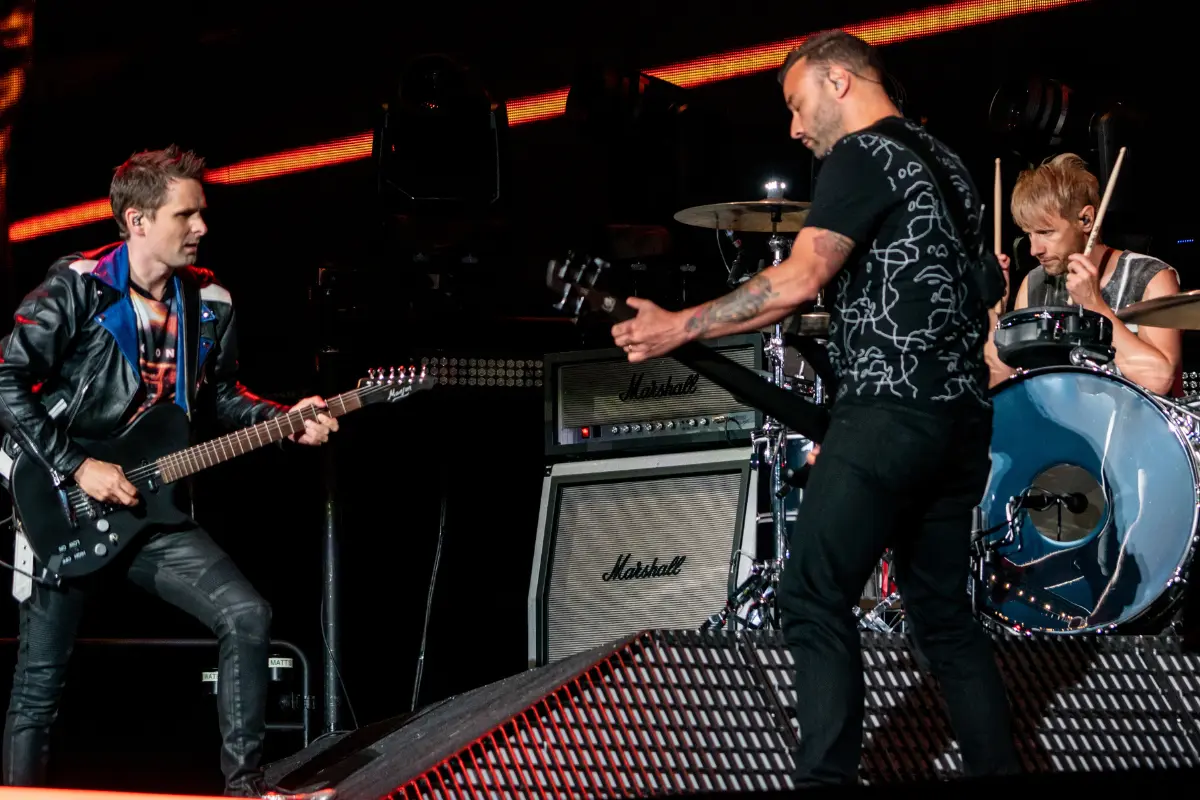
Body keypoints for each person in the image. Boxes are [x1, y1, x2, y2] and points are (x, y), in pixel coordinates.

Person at [611, 30, 1021, 785]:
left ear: (839, 82)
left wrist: (679, 324)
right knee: (945, 623)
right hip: (960, 420)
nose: (795, 129)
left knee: (809, 596)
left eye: (798, 106)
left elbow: (800, 279)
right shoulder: (952, 167)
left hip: (892, 413)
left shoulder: (861, 155)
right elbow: (981, 291)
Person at [0, 146, 337, 799]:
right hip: (65, 504)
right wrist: (76, 466)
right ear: (137, 220)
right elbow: (6, 380)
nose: (201, 227)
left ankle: (245, 789)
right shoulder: (77, 287)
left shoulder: (208, 301)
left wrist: (285, 416)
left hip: (152, 508)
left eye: (201, 214)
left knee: (246, 614)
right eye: (185, 215)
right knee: (39, 687)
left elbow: (219, 398)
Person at [984, 153, 1182, 394]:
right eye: (1029, 234)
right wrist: (993, 312)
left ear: (1086, 220)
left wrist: (1095, 306)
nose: (1035, 249)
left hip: (1132, 429)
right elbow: (1006, 387)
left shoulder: (1149, 277)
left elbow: (1159, 380)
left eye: (1046, 232)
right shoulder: (1035, 284)